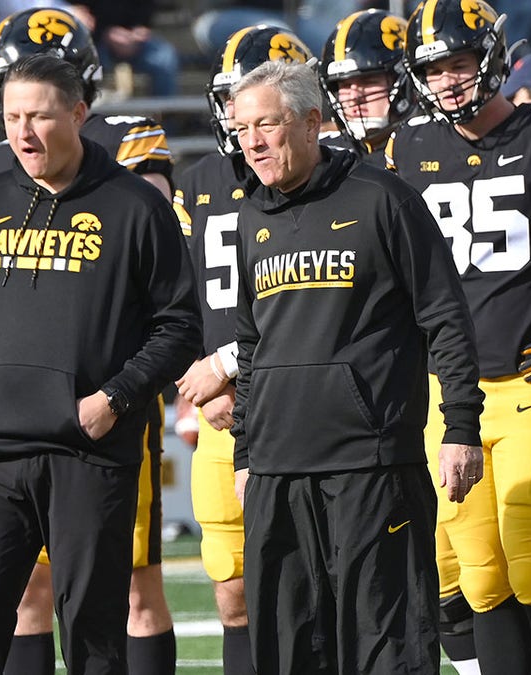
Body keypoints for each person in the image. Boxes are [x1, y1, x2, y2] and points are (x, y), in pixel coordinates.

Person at [0, 53, 200, 674]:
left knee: (92, 630)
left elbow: (178, 326)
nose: (23, 133)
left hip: (91, 448)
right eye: (11, 118)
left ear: (79, 113)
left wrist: (113, 400)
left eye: (39, 117)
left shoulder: (137, 205)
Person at [229, 59, 485, 674]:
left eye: (268, 125)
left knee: (386, 647)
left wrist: (460, 428)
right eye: (242, 130)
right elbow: (248, 345)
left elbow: (446, 318)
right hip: (276, 470)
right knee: (289, 651)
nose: (254, 143)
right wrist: (245, 452)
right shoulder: (248, 217)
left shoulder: (382, 197)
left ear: (312, 122)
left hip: (371, 466)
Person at [389, 1, 531, 672]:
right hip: (449, 390)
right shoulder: (409, 146)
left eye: (457, 62)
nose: (448, 81)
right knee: (480, 576)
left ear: (491, 57)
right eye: (433, 68)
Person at [172, 24, 311, 675]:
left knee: (311, 583)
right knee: (232, 589)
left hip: (302, 405)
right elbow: (174, 301)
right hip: (224, 414)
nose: (242, 119)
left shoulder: (327, 180)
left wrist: (231, 367)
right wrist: (203, 381)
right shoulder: (199, 183)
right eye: (232, 99)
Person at [316, 9, 414, 163]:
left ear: (405, 82)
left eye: (368, 82)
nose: (355, 97)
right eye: (345, 85)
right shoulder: (323, 153)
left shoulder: (434, 144)